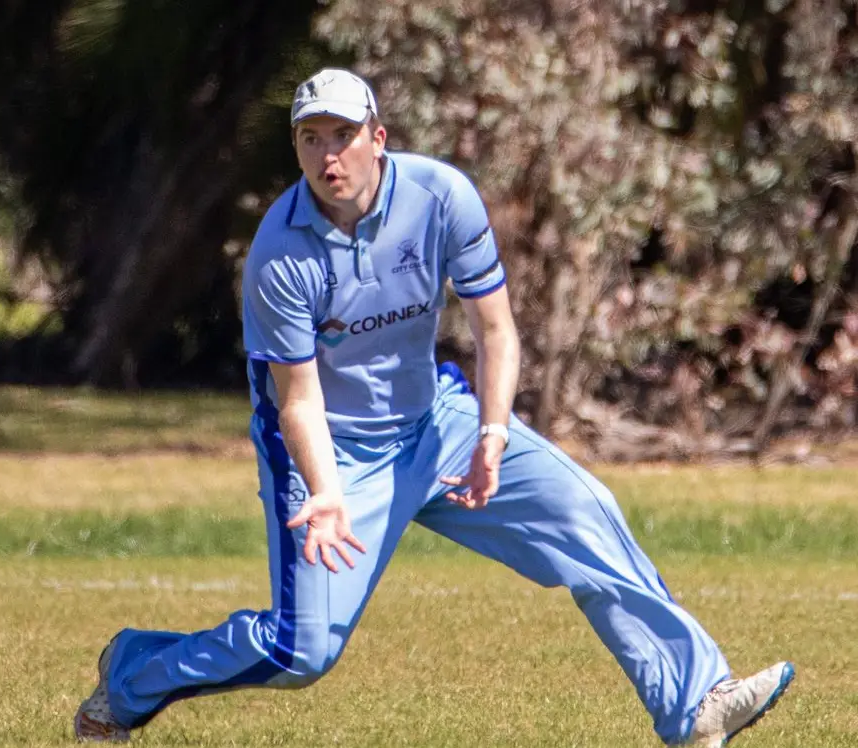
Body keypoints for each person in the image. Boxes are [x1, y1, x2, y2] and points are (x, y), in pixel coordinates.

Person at [72, 67, 794, 747]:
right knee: (303, 651)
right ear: (295, 147)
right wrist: (324, 492)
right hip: (334, 449)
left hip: (437, 423)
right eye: (310, 138)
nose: (329, 154)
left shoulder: (441, 195)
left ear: (377, 137)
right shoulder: (278, 255)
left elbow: (496, 329)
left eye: (343, 134)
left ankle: (696, 703)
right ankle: (136, 671)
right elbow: (296, 401)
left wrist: (491, 431)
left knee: (584, 510)